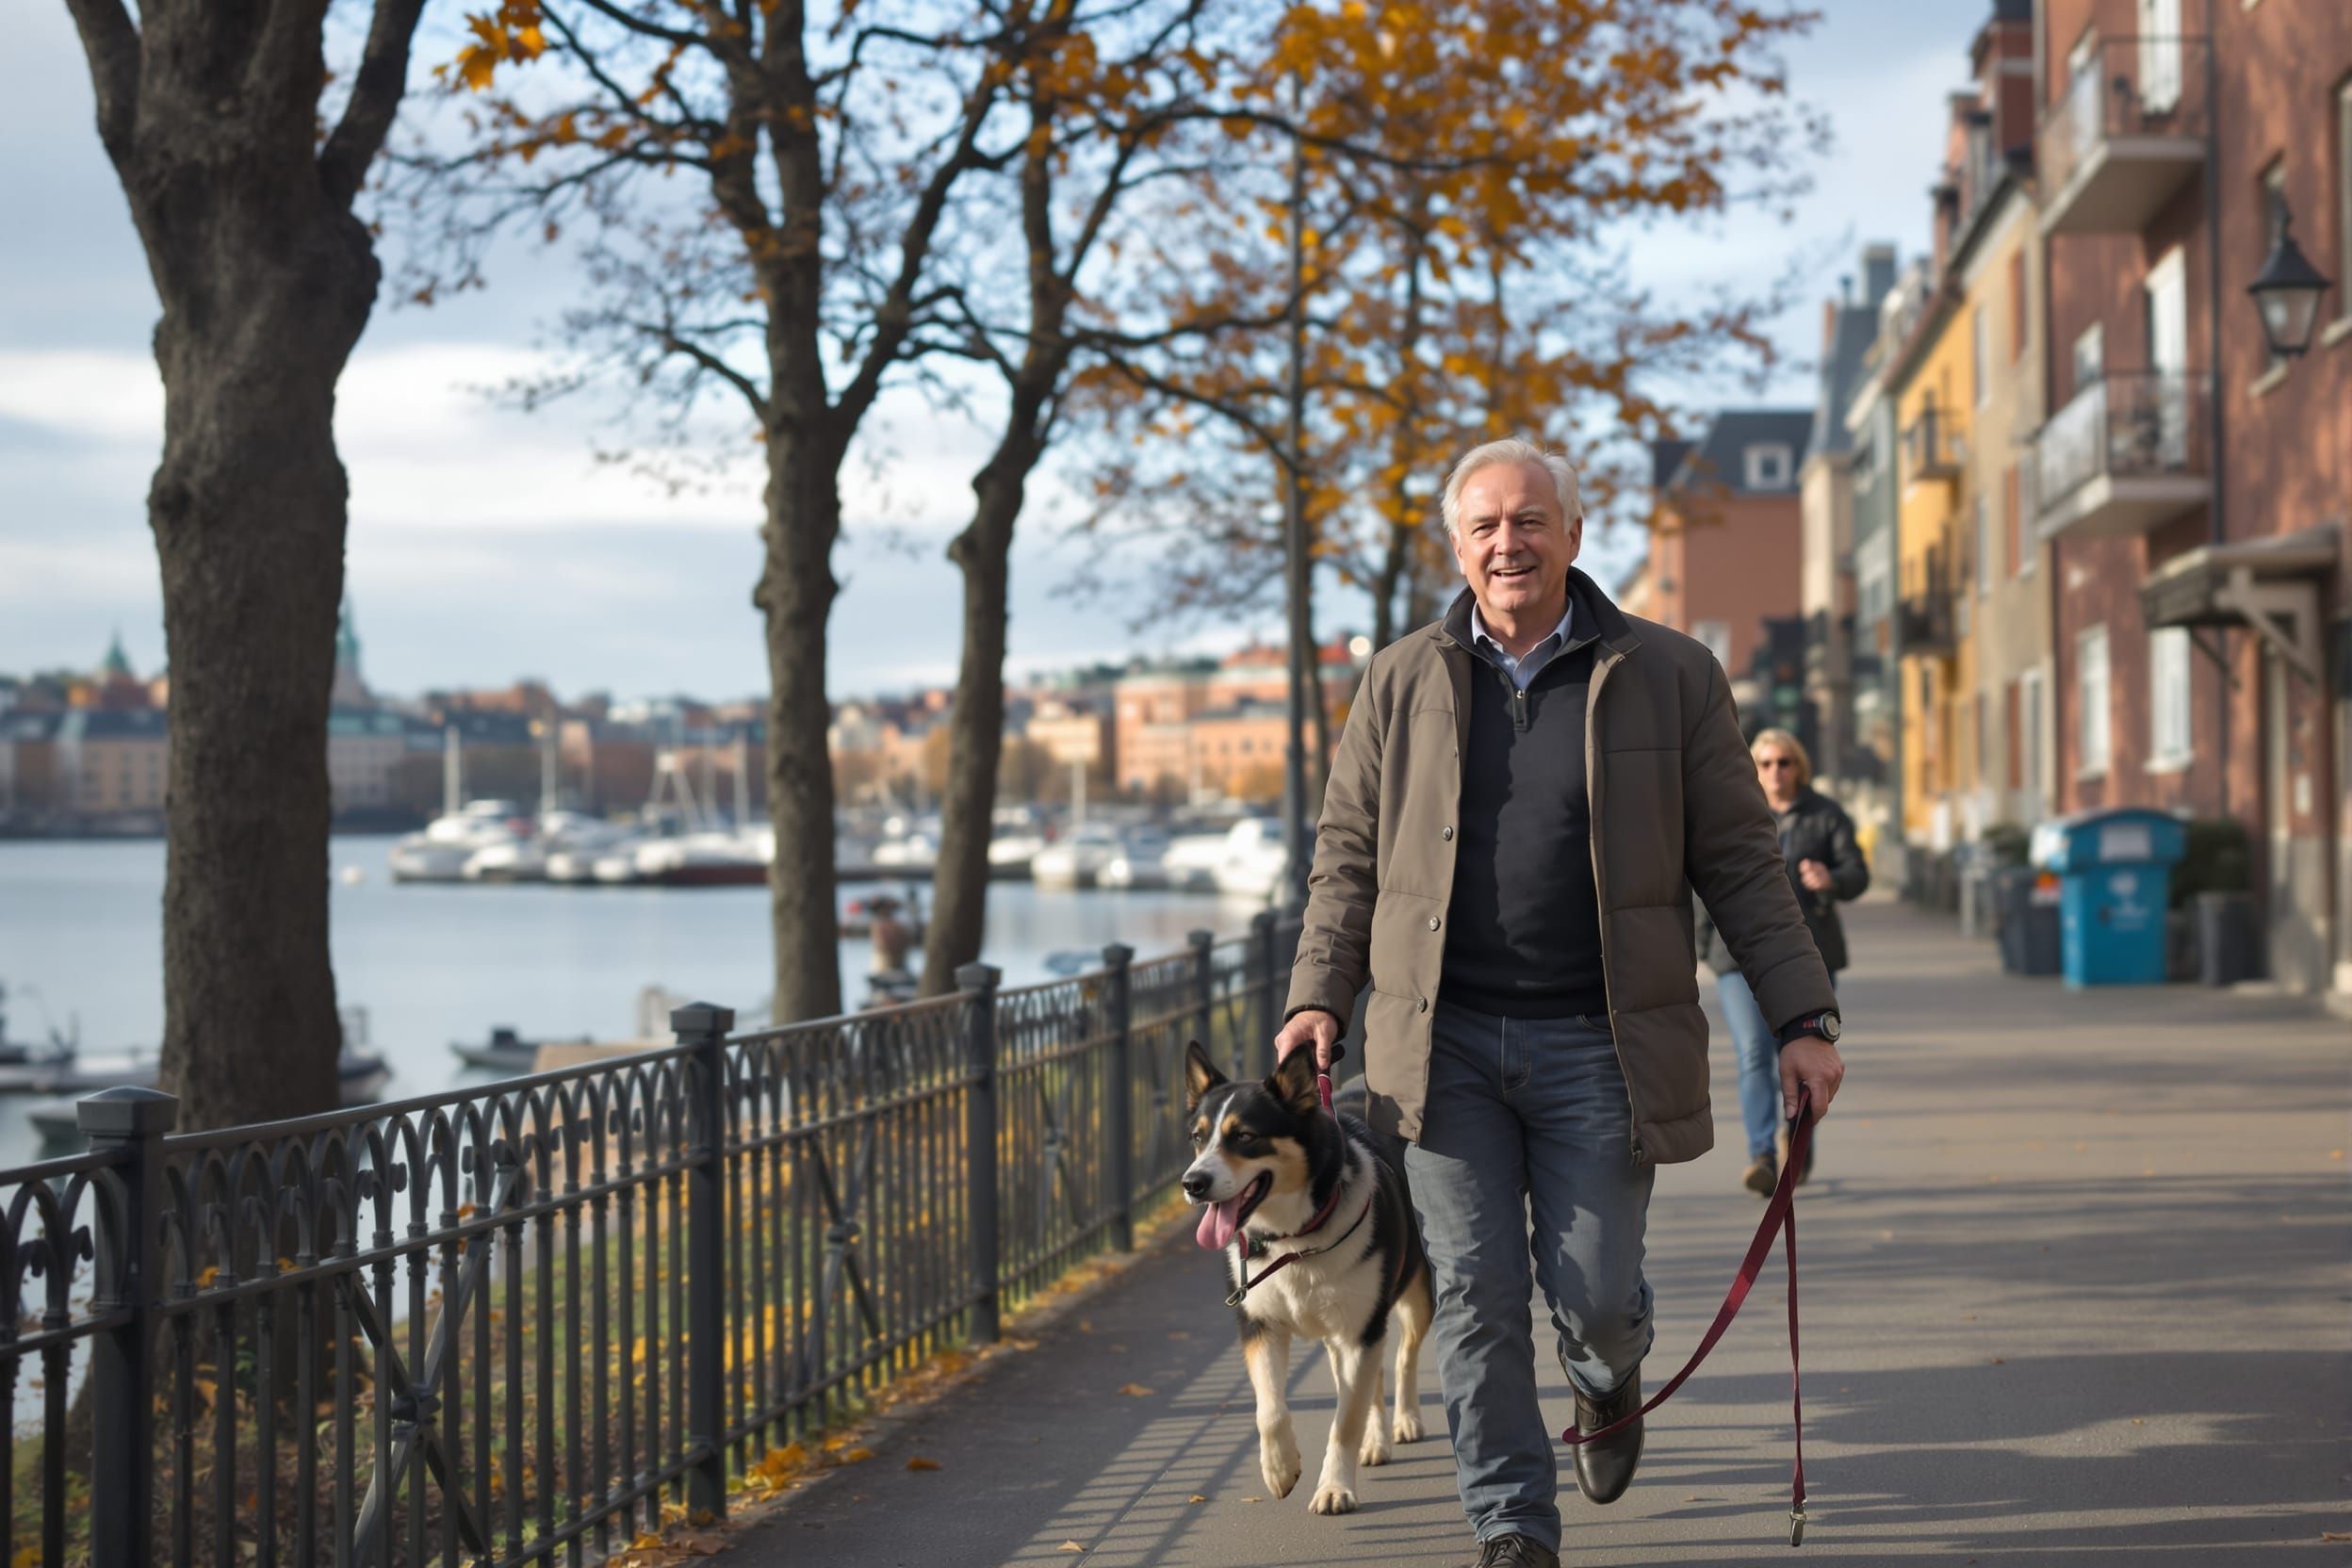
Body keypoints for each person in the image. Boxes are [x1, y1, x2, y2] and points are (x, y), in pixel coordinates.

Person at [1272, 437, 1845, 1568]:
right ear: (1456, 545)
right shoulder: (1397, 678)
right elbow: (1346, 861)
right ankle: (1511, 1524)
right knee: (1476, 1295)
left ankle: (1606, 1368)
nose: (1508, 542)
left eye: (1530, 519)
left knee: (1592, 1294)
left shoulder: (1671, 672)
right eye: (1484, 524)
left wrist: (1801, 1017)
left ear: (1574, 535)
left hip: (1602, 1042)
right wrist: (1316, 995)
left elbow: (1741, 860)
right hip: (1442, 1048)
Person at [1696, 729, 1868, 1197]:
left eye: (1784, 762)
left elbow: (1858, 874)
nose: (1775, 772)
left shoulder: (1825, 815)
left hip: (1809, 956)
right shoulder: (1733, 811)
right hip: (1736, 956)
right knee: (1753, 1052)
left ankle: (1798, 1143)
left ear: (1799, 767)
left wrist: (1831, 878)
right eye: (1766, 763)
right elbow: (1701, 876)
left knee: (1800, 1052)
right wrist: (1702, 943)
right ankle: (1762, 1156)